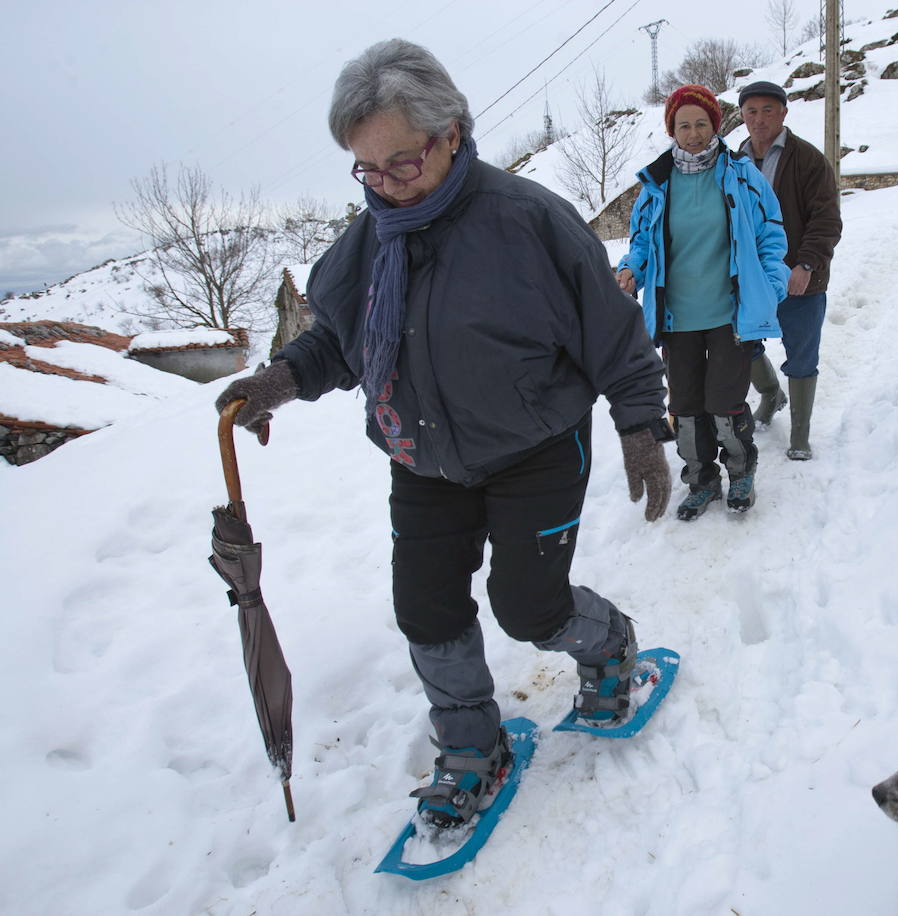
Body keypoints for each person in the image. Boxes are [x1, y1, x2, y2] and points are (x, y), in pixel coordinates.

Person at [214, 39, 675, 830]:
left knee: (529, 608)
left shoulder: (528, 222)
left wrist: (640, 426)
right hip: (422, 456)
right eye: (369, 170)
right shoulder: (368, 246)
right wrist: (279, 381)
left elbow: (613, 332)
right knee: (426, 610)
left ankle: (610, 644)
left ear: (453, 131)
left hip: (535, 448)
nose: (387, 187)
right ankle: (472, 745)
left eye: (403, 162)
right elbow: (339, 340)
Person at [616, 85, 789, 520]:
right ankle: (701, 479)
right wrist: (630, 269)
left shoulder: (741, 175)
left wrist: (771, 285)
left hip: (730, 312)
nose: (693, 134)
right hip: (677, 316)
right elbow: (641, 242)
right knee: (686, 406)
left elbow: (770, 236)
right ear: (671, 129)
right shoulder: (656, 183)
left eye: (701, 124)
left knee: (725, 402)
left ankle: (741, 472)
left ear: (716, 125)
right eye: (683, 125)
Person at [736, 80, 843, 460]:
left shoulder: (808, 160)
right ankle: (770, 394)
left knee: (801, 354)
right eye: (751, 111)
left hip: (799, 279)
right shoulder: (733, 162)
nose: (759, 119)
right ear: (742, 116)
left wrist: (806, 264)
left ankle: (799, 434)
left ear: (783, 113)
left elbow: (827, 219)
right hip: (750, 280)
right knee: (742, 344)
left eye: (768, 110)